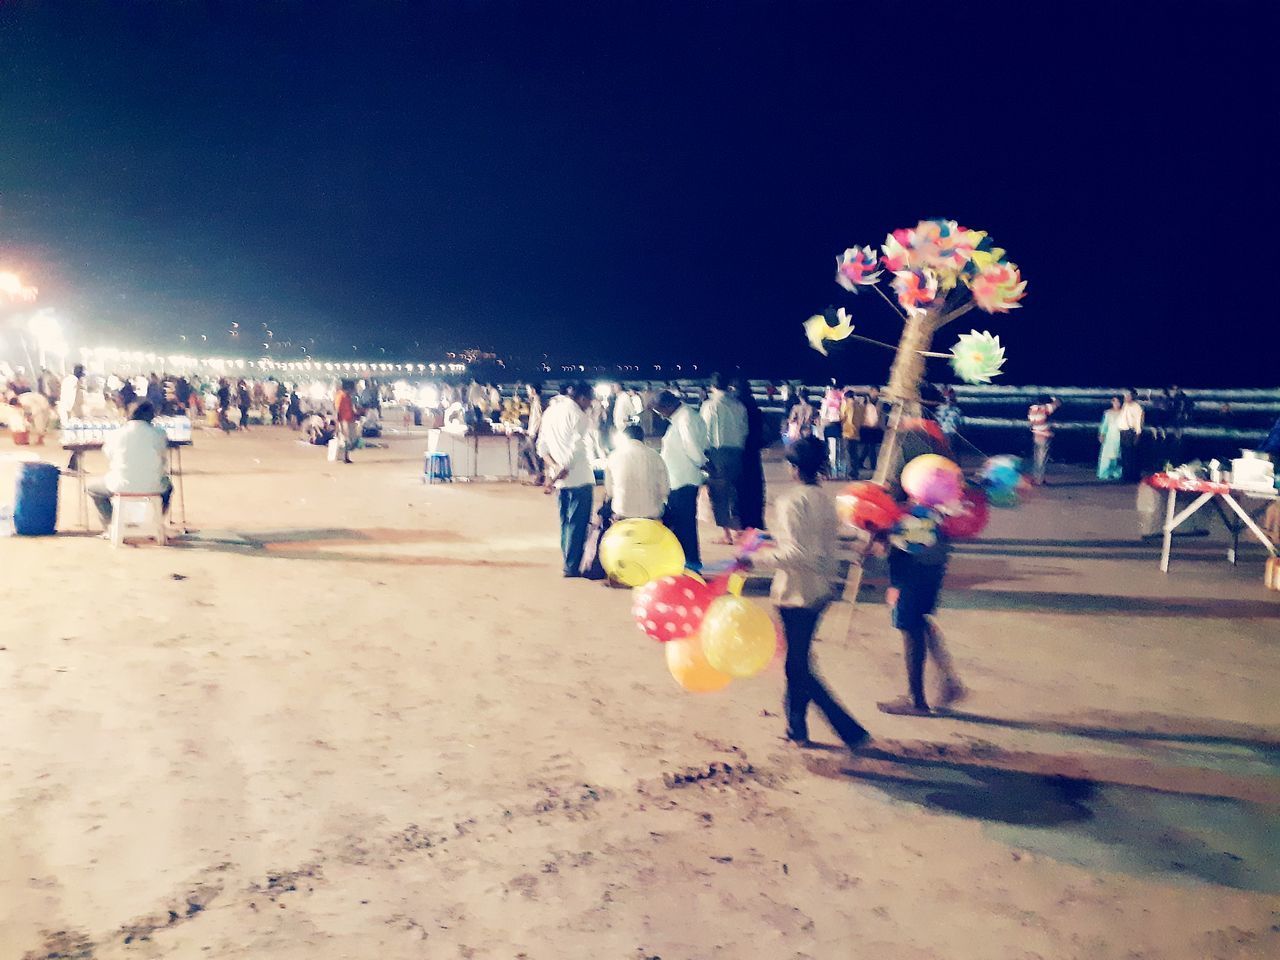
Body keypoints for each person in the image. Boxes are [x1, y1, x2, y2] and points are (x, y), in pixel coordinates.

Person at [766, 436, 870, 749]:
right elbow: (819, 545)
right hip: (820, 590)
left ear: (794, 468)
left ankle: (849, 730)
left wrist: (752, 558)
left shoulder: (790, 502)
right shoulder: (825, 499)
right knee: (798, 663)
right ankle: (796, 728)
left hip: (796, 593)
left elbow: (797, 554)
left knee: (797, 667)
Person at [877, 509, 966, 717]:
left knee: (910, 626)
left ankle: (917, 700)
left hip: (911, 562)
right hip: (934, 558)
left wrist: (877, 535)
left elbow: (889, 513)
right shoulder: (942, 481)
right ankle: (948, 682)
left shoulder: (906, 479)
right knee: (920, 620)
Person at [537, 382, 596, 577]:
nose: (590, 404)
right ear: (582, 398)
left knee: (565, 523)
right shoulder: (579, 416)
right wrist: (561, 471)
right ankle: (571, 566)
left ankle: (568, 561)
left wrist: (554, 471)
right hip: (579, 477)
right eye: (590, 400)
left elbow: (542, 447)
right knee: (577, 524)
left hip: (561, 479)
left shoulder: (550, 412)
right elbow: (576, 451)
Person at [86, 400, 172, 529]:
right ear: (151, 416)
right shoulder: (159, 434)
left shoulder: (115, 434)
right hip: (153, 485)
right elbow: (162, 455)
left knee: (93, 489)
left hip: (120, 484)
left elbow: (109, 455)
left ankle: (111, 525)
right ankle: (156, 523)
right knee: (168, 488)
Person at [653, 388, 707, 572]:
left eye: (660, 410)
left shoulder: (685, 418)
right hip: (678, 479)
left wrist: (704, 464)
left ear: (668, 405)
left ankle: (691, 563)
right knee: (682, 523)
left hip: (684, 480)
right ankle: (686, 561)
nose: (660, 415)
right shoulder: (680, 417)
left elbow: (692, 448)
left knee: (685, 524)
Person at [701, 372, 749, 544]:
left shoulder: (710, 405)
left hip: (718, 453)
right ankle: (739, 531)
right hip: (737, 452)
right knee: (735, 492)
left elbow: (705, 432)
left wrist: (704, 455)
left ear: (712, 387)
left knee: (719, 495)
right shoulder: (738, 405)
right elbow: (744, 430)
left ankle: (727, 534)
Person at [605, 424, 669, 521]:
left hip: (622, 513)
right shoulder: (655, 456)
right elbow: (665, 490)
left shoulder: (613, 456)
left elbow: (609, 491)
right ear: (643, 438)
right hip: (652, 514)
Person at [733, 376, 766, 530]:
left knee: (743, 487)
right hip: (754, 450)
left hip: (742, 450)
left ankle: (746, 522)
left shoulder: (737, 405)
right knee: (755, 487)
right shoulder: (753, 405)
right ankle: (757, 521)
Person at [1026, 395, 1061, 485]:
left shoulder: (1032, 410)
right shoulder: (1044, 408)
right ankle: (1039, 479)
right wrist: (1053, 397)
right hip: (1044, 435)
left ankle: (1036, 477)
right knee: (1042, 458)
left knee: (1037, 458)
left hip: (1035, 434)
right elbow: (1058, 403)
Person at [60, 363, 86, 472]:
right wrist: (72, 414)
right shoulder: (74, 382)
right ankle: (73, 466)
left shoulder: (68, 380)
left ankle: (74, 465)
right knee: (78, 441)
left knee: (76, 441)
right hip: (72, 414)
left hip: (70, 413)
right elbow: (71, 399)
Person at [1118, 389, 1145, 482]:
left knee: (1131, 455)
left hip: (1130, 432)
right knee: (1125, 455)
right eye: (1125, 396)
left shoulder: (1136, 407)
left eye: (1128, 396)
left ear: (1133, 396)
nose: (1126, 397)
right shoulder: (1125, 405)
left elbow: (1138, 422)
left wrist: (1137, 435)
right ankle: (1126, 476)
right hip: (1123, 432)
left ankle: (1132, 476)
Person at [856, 387, 884, 477]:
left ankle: (861, 462)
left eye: (877, 392)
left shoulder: (879, 402)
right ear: (871, 391)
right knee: (870, 446)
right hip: (866, 426)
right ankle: (873, 465)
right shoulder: (864, 400)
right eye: (875, 391)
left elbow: (879, 415)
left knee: (869, 446)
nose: (876, 393)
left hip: (874, 427)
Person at [820, 382, 844, 476]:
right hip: (835, 426)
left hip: (831, 426)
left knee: (833, 448)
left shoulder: (830, 402)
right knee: (835, 448)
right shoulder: (839, 401)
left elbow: (823, 416)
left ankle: (834, 469)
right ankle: (835, 469)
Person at [1098, 395, 1124, 481]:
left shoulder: (1123, 412)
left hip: (1120, 436)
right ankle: (1105, 473)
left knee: (1117, 455)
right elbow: (1104, 425)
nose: (1116, 403)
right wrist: (1102, 434)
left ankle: (1116, 473)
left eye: (1118, 401)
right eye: (1114, 401)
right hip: (1110, 436)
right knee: (1107, 455)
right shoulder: (1108, 413)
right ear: (1112, 402)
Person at [839, 389, 864, 479]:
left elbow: (842, 417)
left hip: (847, 432)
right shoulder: (859, 406)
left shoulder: (847, 406)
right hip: (856, 433)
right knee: (855, 454)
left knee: (848, 454)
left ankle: (850, 473)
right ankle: (855, 472)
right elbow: (862, 419)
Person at [935, 388, 964, 463]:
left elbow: (958, 422)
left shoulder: (956, 410)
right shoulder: (941, 409)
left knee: (952, 450)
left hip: (950, 431)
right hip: (944, 431)